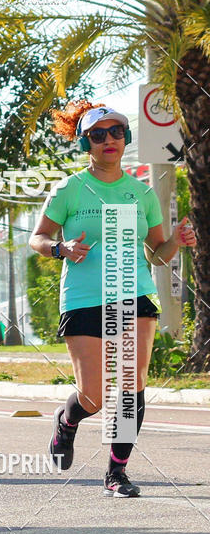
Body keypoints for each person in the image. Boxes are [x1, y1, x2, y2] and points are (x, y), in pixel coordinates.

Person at [29, 100, 196, 497]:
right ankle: (67, 423)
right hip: (84, 297)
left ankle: (115, 473)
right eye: (98, 134)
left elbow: (156, 253)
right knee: (94, 395)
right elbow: (37, 238)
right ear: (86, 142)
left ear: (125, 139)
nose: (109, 140)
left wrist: (174, 241)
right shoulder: (69, 189)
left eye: (116, 132)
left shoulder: (142, 192)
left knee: (130, 385)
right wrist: (60, 248)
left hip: (134, 293)